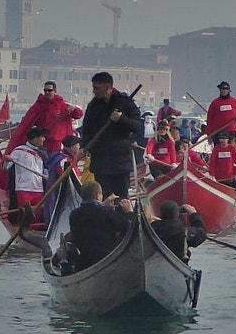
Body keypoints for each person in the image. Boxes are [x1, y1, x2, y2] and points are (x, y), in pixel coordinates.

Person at [79, 71, 143, 199]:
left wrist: (121, 119)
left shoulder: (125, 102)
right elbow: (87, 129)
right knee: (104, 197)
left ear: (107, 87)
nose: (94, 91)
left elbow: (137, 126)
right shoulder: (94, 105)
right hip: (100, 161)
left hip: (120, 161)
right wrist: (83, 147)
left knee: (122, 198)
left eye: (97, 88)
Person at [62, 181, 133, 272]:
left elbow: (91, 213)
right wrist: (129, 212)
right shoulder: (108, 213)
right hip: (108, 260)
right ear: (97, 195)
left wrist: (103, 205)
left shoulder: (74, 215)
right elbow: (129, 228)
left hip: (84, 262)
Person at [7, 80, 84, 155]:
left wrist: (73, 109)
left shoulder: (63, 105)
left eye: (49, 90)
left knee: (56, 164)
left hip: (58, 143)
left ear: (55, 91)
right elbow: (27, 123)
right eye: (45, 90)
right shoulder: (39, 106)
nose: (47, 92)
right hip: (43, 142)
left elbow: (79, 114)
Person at [6, 127, 50, 227]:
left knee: (37, 216)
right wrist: (7, 160)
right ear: (35, 138)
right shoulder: (19, 151)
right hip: (23, 188)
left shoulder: (43, 152)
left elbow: (45, 170)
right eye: (42, 137)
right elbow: (5, 167)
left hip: (39, 189)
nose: (44, 139)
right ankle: (23, 230)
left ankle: (35, 233)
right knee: (25, 215)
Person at [44, 135, 84, 223]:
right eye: (77, 145)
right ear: (72, 147)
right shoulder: (64, 161)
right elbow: (67, 180)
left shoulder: (68, 158)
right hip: (63, 196)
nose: (79, 147)